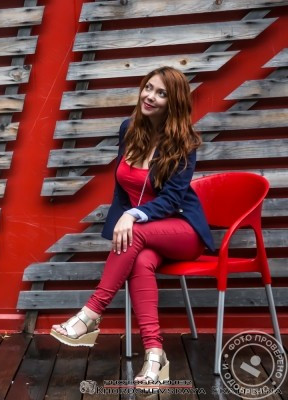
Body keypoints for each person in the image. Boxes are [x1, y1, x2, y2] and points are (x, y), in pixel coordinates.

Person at [50, 66, 215, 388]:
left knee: (134, 233)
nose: (150, 97)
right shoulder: (129, 129)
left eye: (161, 93)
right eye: (148, 88)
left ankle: (91, 313)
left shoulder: (185, 142)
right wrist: (122, 217)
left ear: (174, 102)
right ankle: (155, 355)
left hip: (182, 230)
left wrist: (133, 216)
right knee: (139, 260)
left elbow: (172, 199)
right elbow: (122, 188)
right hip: (147, 235)